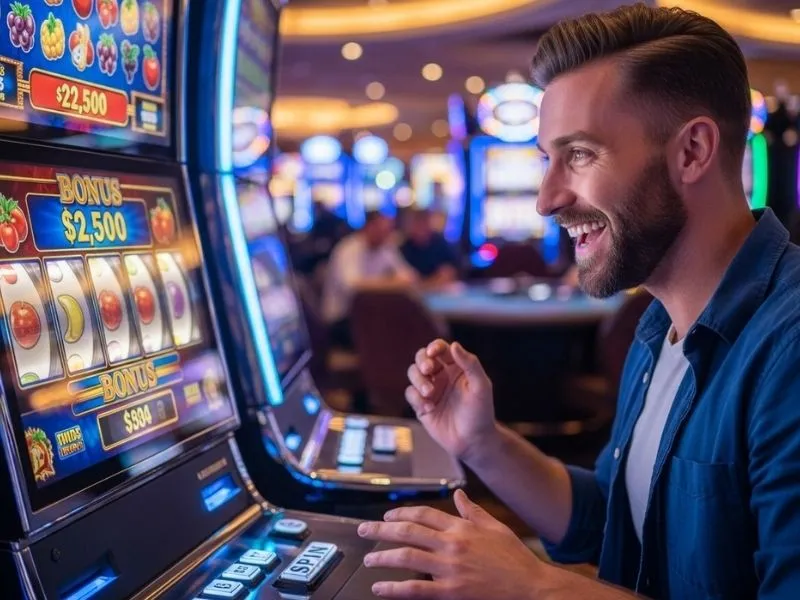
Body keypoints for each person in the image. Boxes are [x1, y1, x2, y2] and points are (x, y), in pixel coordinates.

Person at [355, 4, 800, 599]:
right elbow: (613, 519)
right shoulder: (657, 328)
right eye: (547, 159)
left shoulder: (790, 348)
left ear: (692, 151)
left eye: (581, 154)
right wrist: (483, 443)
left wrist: (536, 588)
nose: (545, 199)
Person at [321, 210, 417, 348]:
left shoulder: (385, 247)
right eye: (383, 230)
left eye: (389, 230)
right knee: (393, 335)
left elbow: (409, 277)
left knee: (407, 326)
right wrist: (392, 283)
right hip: (342, 320)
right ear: (369, 227)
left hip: (371, 316)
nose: (387, 234)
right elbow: (354, 286)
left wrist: (393, 282)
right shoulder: (349, 248)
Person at [399, 208, 460, 286]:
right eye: (417, 224)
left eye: (424, 223)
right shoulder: (404, 247)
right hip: (413, 292)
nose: (421, 228)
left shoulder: (440, 243)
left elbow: (449, 272)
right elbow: (405, 277)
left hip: (440, 291)